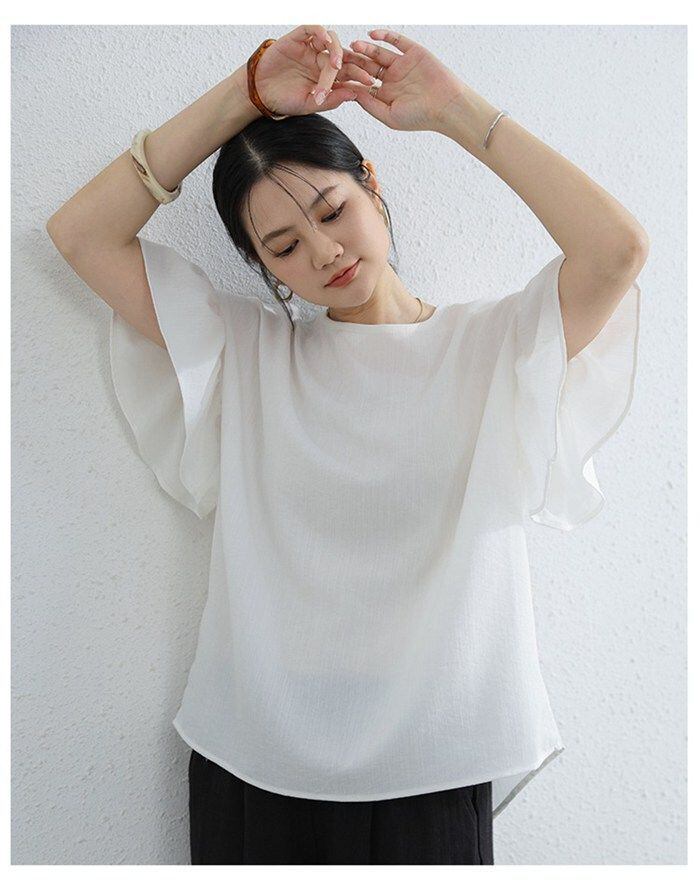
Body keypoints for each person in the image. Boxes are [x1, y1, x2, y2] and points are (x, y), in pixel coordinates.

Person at [46, 24, 647, 865]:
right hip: (256, 759)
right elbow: (82, 233)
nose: (324, 251)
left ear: (372, 181)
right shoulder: (247, 354)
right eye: (283, 246)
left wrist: (454, 110)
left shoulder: (493, 348)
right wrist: (243, 94)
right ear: (258, 264)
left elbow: (617, 250)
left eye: (333, 211)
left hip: (435, 761)